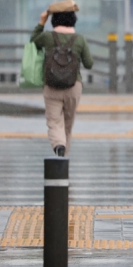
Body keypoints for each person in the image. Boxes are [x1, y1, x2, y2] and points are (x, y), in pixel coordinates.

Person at [31, 9, 93, 157]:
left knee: (54, 121)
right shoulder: (80, 39)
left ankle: (59, 145)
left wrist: (41, 22)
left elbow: (33, 41)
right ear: (73, 20)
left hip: (51, 85)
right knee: (68, 123)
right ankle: (63, 157)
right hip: (73, 86)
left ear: (54, 21)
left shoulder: (47, 37)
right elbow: (89, 63)